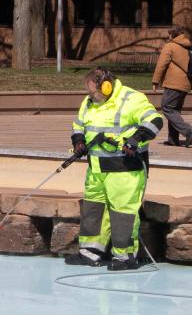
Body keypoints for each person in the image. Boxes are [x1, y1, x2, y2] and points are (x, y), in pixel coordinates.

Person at [66, 67, 165, 271]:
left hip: (125, 169)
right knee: (93, 210)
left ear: (107, 86)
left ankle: (125, 257)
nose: (90, 97)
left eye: (93, 92)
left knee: (123, 213)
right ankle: (90, 252)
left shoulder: (132, 99)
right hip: (96, 169)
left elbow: (155, 121)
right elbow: (78, 124)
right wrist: (79, 141)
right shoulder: (89, 102)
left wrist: (137, 138)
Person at [150, 25, 192, 147]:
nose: (168, 38)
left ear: (172, 35)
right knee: (175, 110)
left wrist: (155, 81)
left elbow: (161, 64)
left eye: (169, 35)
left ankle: (187, 130)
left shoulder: (170, 46)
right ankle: (173, 139)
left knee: (167, 107)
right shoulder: (187, 46)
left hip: (174, 83)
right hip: (186, 83)